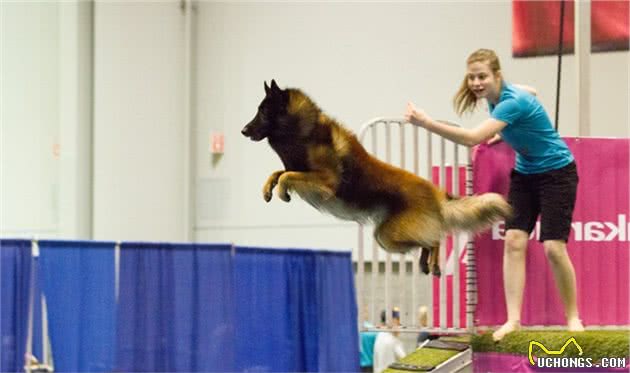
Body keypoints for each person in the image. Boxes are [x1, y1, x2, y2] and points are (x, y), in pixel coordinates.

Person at [404, 48, 584, 341]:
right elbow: (532, 90)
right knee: (514, 241)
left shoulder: (511, 103)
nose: (476, 83)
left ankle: (573, 317)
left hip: (557, 173)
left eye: (482, 77)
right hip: (525, 174)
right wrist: (506, 131)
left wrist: (426, 122)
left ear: (497, 76)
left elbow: (475, 137)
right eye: (472, 77)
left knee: (553, 247)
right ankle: (513, 320)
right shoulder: (501, 97)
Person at [373, 307, 406, 373]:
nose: (400, 325)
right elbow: (406, 361)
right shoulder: (393, 340)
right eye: (398, 321)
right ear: (393, 321)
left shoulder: (379, 336)